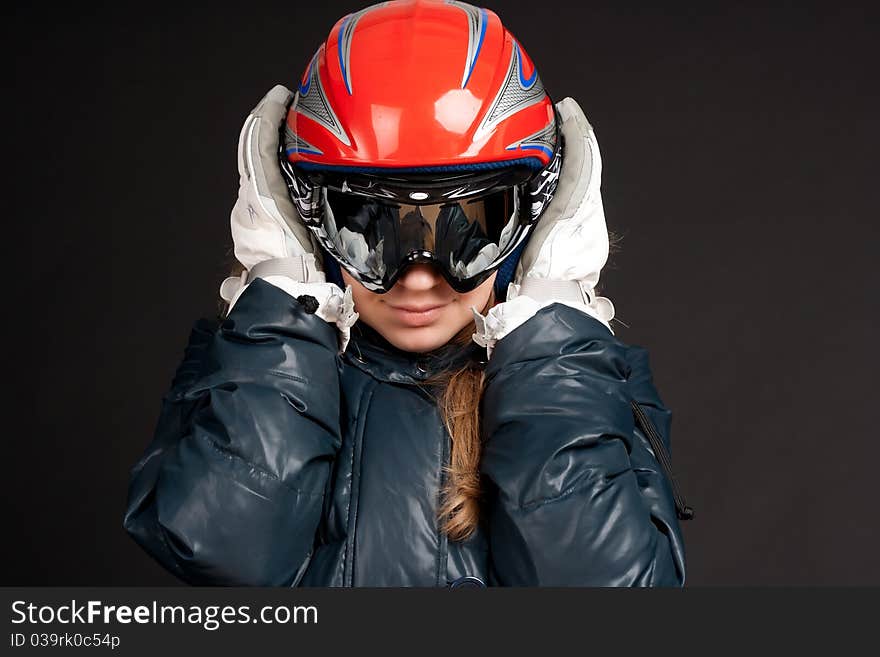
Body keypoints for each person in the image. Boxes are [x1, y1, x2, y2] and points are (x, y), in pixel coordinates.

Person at [123, 0, 688, 587]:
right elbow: (225, 553)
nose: (418, 277)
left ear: (533, 220)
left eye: (470, 228)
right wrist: (282, 295)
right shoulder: (251, 370)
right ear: (304, 215)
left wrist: (551, 317)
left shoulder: (583, 383)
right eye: (368, 227)